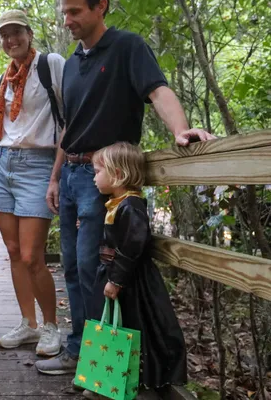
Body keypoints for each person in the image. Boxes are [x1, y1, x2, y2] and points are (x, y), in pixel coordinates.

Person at [37, 0, 215, 375]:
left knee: (92, 267)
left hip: (105, 178)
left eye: (75, 11)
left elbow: (157, 90)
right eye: (64, 12)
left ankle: (104, 364)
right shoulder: (73, 62)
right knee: (70, 267)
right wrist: (54, 178)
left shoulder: (127, 47)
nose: (67, 20)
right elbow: (69, 127)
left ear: (102, 6)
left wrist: (179, 130)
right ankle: (80, 348)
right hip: (71, 176)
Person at [0, 9, 65, 357]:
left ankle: (51, 326)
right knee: (13, 252)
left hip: (38, 164)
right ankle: (28, 324)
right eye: (4, 35)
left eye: (16, 32)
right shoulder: (4, 79)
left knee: (33, 256)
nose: (10, 39)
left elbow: (70, 119)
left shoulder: (51, 65)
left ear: (29, 33)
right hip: (4, 165)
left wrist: (56, 176)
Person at [86, 142, 186, 398]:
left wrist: (117, 280)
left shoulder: (131, 206)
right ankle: (106, 380)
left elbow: (133, 245)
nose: (94, 176)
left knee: (133, 327)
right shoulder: (118, 202)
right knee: (109, 323)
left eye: (98, 171)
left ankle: (137, 382)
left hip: (131, 281)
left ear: (117, 174)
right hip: (114, 273)